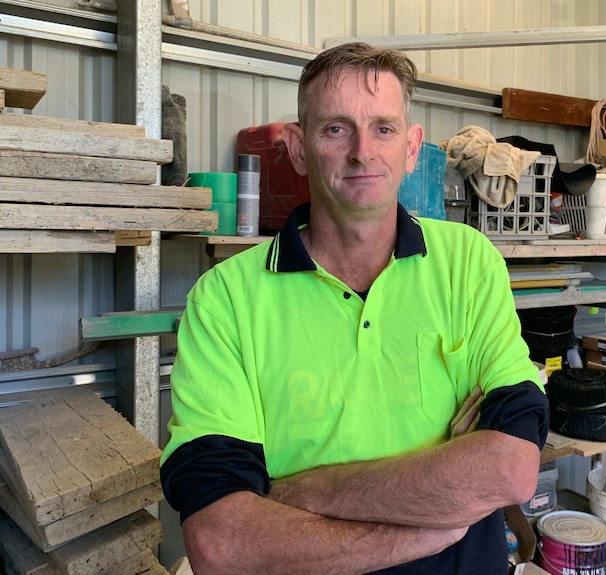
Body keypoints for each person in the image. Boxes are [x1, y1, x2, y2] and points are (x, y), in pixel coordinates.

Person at [160, 42, 549, 575]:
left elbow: (509, 471)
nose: (363, 152)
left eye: (384, 129)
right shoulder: (225, 299)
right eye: (336, 129)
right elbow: (220, 541)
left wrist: (305, 490)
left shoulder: (468, 262)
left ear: (412, 149)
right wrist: (439, 522)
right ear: (298, 148)